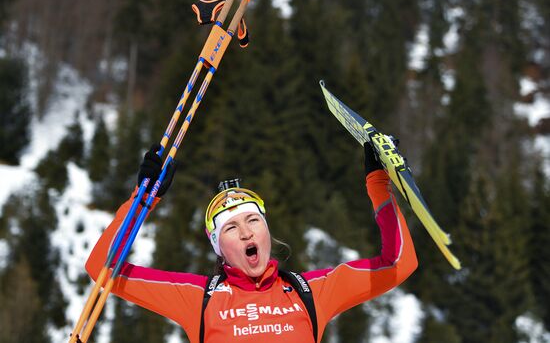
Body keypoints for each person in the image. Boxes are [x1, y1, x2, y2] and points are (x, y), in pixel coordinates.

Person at [85, 143, 418, 342]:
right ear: (219, 248)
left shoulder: (312, 292)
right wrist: (143, 200)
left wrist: (378, 184)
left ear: (266, 233)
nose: (245, 232)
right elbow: (102, 267)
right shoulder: (198, 300)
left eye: (253, 220)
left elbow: (398, 263)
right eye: (230, 228)